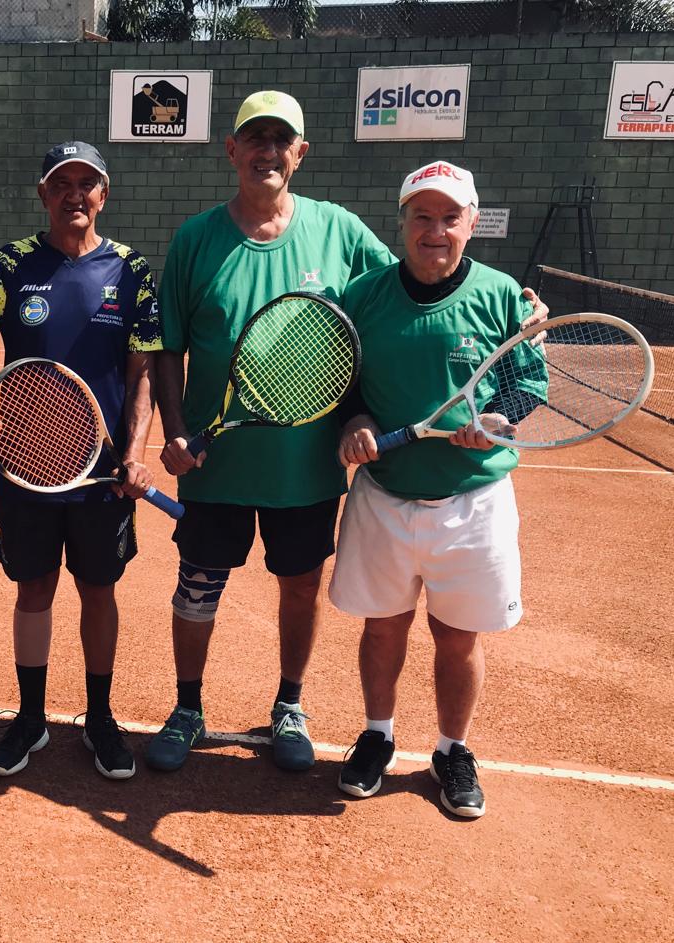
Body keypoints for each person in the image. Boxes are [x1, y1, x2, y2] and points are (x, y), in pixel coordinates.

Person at [147, 92, 546, 775]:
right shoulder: (195, 240)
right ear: (232, 150)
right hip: (215, 465)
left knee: (299, 586)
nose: (268, 150)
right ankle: (188, 708)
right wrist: (178, 431)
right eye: (256, 138)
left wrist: (515, 305)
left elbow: (411, 283)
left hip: (307, 463)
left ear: (300, 153)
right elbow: (167, 348)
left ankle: (289, 706)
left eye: (283, 140)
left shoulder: (339, 231)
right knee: (199, 585)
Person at [0, 141, 163, 781]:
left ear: (104, 195)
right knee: (32, 589)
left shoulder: (131, 271)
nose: (75, 195)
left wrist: (136, 454)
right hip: (26, 472)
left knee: (99, 590)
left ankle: (99, 718)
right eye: (62, 184)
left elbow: (143, 370)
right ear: (44, 194)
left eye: (87, 184)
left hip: (101, 475)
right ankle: (30, 719)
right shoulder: (11, 267)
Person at [330, 161, 537, 819]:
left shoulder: (504, 295)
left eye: (450, 217)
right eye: (422, 216)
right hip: (385, 496)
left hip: (472, 502)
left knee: (457, 636)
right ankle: (377, 735)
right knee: (383, 628)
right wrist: (357, 419)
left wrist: (499, 421)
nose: (435, 230)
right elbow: (342, 380)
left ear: (471, 224)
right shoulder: (364, 295)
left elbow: (526, 384)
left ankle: (452, 750)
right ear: (403, 223)